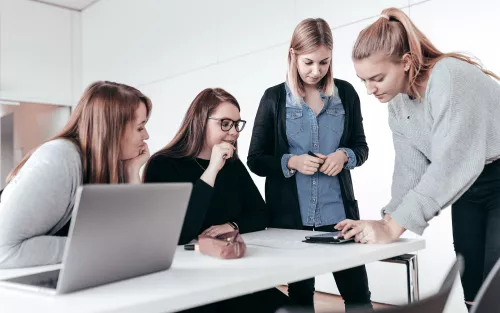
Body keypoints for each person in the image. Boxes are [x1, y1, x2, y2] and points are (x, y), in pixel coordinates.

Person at [336, 7, 500, 311]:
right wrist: (386, 220)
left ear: (407, 63)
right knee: (474, 291)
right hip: (469, 187)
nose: (370, 89)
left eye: (377, 78)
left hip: (491, 173)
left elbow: (454, 164)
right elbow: (409, 170)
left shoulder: (449, 76)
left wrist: (393, 228)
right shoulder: (398, 104)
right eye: (364, 81)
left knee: (497, 291)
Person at [247, 18, 372, 312]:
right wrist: (290, 161)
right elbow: (255, 159)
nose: (316, 71)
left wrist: (344, 156)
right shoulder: (273, 99)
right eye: (309, 62)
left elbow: (361, 147)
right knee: (301, 299)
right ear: (293, 55)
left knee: (358, 297)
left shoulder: (346, 95)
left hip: (340, 218)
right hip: (292, 222)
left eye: (324, 62)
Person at [143, 87, 290, 313]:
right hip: (186, 280)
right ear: (201, 121)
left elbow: (261, 214)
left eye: (237, 124)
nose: (234, 132)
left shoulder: (233, 165)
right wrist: (211, 170)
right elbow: (179, 235)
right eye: (225, 123)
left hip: (231, 271)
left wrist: (231, 225)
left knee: (294, 309)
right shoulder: (163, 165)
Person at [0, 81, 152, 269]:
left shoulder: (112, 165)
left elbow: (132, 240)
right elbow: (4, 251)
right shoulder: (60, 158)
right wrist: (97, 247)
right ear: (113, 129)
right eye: (140, 127)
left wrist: (131, 172)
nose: (146, 136)